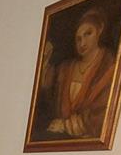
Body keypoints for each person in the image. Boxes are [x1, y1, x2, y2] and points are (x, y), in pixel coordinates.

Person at [38, 7, 115, 138]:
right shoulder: (65, 69)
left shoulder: (109, 67)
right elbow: (49, 95)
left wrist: (65, 125)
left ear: (99, 30)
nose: (82, 43)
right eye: (78, 38)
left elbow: (102, 116)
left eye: (88, 33)